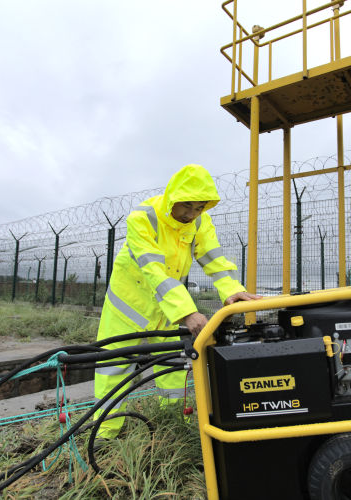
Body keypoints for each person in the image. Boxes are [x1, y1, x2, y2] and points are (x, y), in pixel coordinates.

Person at [94, 164, 260, 438]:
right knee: (114, 366)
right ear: (173, 197)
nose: (192, 214)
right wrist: (187, 313)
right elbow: (153, 269)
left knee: (172, 366)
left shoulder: (199, 221)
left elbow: (213, 258)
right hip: (128, 303)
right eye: (187, 206)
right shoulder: (143, 217)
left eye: (199, 208)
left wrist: (231, 289)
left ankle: (173, 427)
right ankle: (104, 433)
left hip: (168, 303)